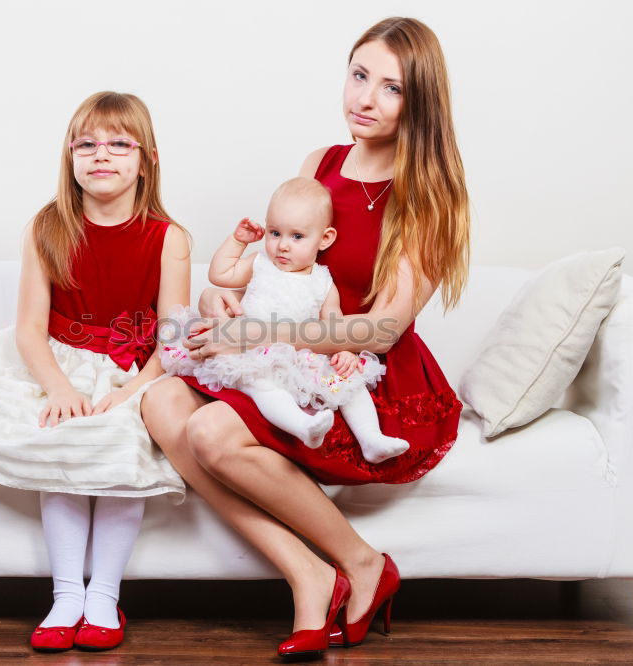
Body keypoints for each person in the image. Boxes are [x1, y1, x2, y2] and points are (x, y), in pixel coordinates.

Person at [140, 17, 469, 659]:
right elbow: (284, 263)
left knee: (209, 432)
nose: (365, 99)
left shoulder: (428, 196)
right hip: (284, 351)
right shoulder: (320, 163)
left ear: (420, 103)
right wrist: (225, 297)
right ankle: (311, 574)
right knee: (159, 402)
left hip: (361, 372)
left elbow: (383, 329)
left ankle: (362, 563)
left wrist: (254, 332)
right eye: (358, 75)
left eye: (391, 88)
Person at [0, 91, 190, 653]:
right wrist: (59, 387)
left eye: (119, 144)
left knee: (122, 443)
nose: (102, 155)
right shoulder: (47, 227)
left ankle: (103, 595)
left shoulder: (168, 238)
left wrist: (132, 391)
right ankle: (66, 596)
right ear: (70, 157)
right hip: (58, 362)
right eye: (88, 144)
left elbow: (173, 339)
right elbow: (30, 327)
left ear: (147, 157)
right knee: (60, 441)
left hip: (135, 371)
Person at [159, 177, 410, 463]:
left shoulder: (322, 281)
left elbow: (335, 324)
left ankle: (371, 439)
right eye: (275, 233)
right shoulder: (259, 263)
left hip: (302, 356)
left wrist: (345, 352)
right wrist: (238, 241)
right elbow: (221, 275)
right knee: (263, 386)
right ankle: (302, 426)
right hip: (250, 351)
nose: (282, 246)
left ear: (324, 238)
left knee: (350, 383)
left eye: (297, 237)